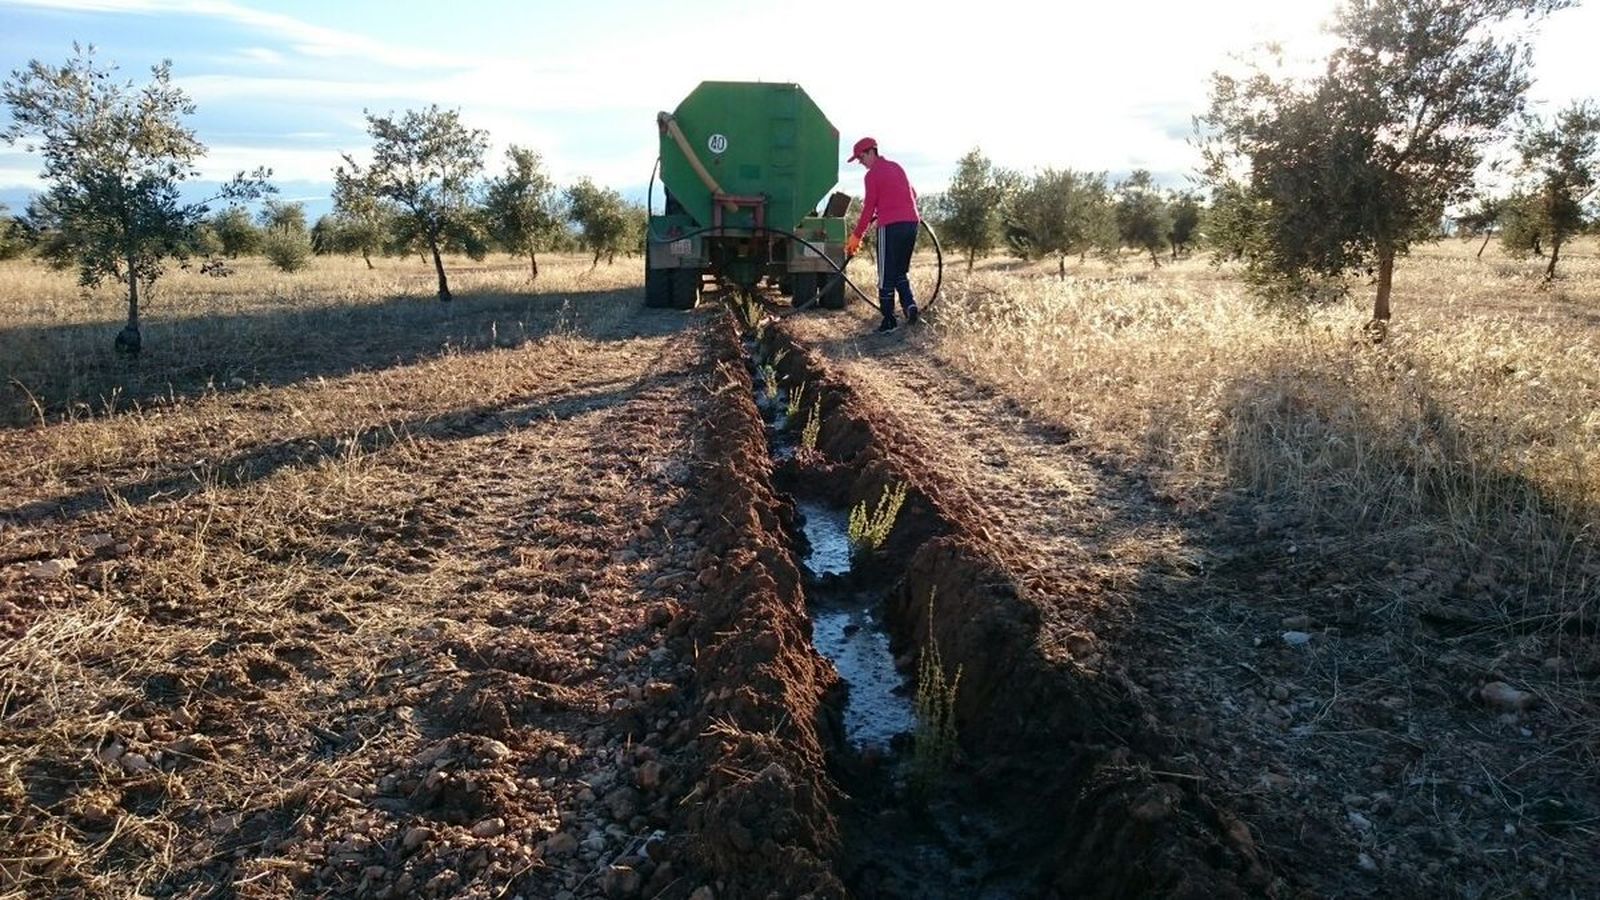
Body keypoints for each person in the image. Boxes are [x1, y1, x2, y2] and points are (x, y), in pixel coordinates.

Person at [845, 137, 920, 333]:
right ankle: (910, 306)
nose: (861, 163)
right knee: (900, 271)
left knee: (886, 274)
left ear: (871, 152)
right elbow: (914, 193)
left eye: (861, 158)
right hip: (912, 223)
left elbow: (869, 207)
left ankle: (889, 320)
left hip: (891, 226)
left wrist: (856, 236)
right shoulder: (896, 167)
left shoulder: (872, 175)